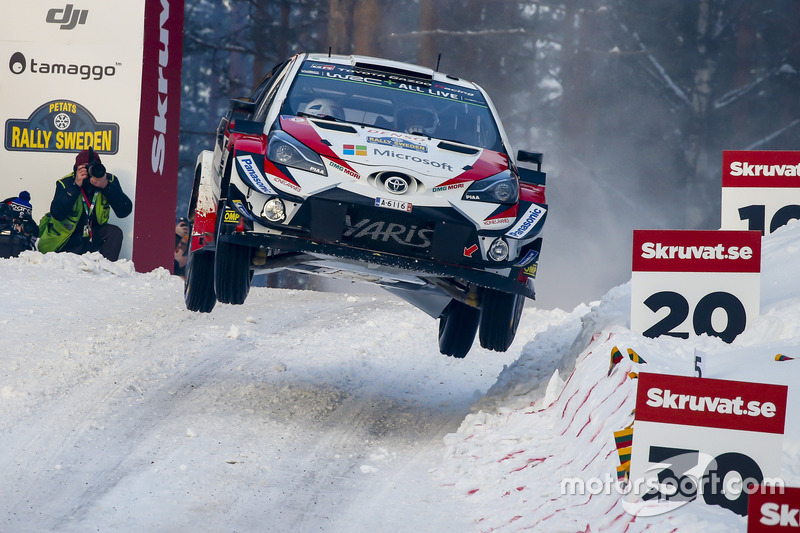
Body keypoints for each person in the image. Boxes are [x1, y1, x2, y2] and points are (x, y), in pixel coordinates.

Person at [38, 148, 132, 261]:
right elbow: (57, 214)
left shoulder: (108, 180)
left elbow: (124, 211)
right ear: (76, 168)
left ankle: (108, 269)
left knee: (114, 232)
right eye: (84, 167)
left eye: (93, 167)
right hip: (67, 237)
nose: (89, 171)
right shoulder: (66, 183)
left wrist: (106, 186)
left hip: (91, 235)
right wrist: (75, 186)